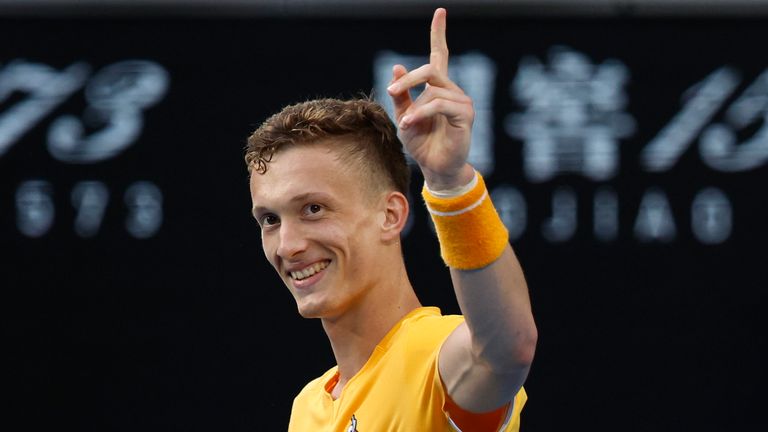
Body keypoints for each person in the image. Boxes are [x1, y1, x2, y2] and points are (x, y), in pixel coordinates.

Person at [244, 7, 537, 431]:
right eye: (270, 219)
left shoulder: (436, 355)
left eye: (313, 209)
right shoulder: (307, 408)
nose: (287, 245)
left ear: (391, 214)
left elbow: (508, 351)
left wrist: (450, 181)